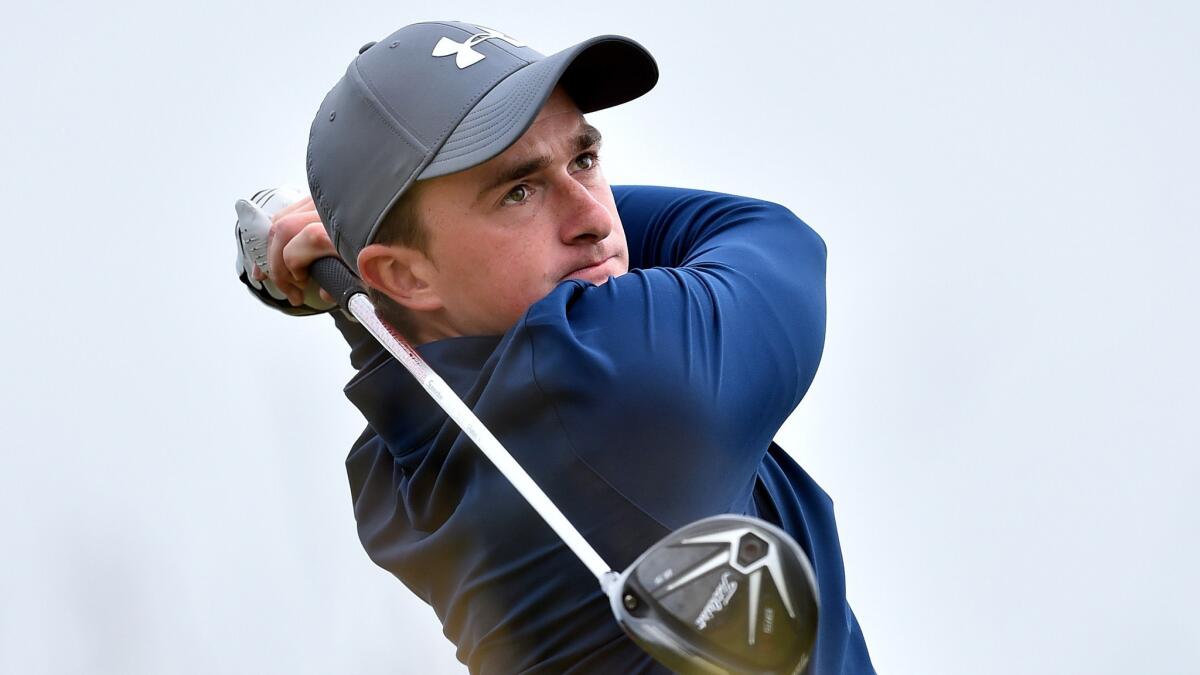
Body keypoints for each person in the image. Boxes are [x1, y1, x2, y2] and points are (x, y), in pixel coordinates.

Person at [238, 20, 876, 674]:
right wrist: (346, 253)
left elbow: (398, 334)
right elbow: (766, 235)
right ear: (405, 275)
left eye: (584, 160)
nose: (595, 216)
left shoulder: (398, 472)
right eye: (519, 190)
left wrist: (347, 261)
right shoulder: (626, 377)